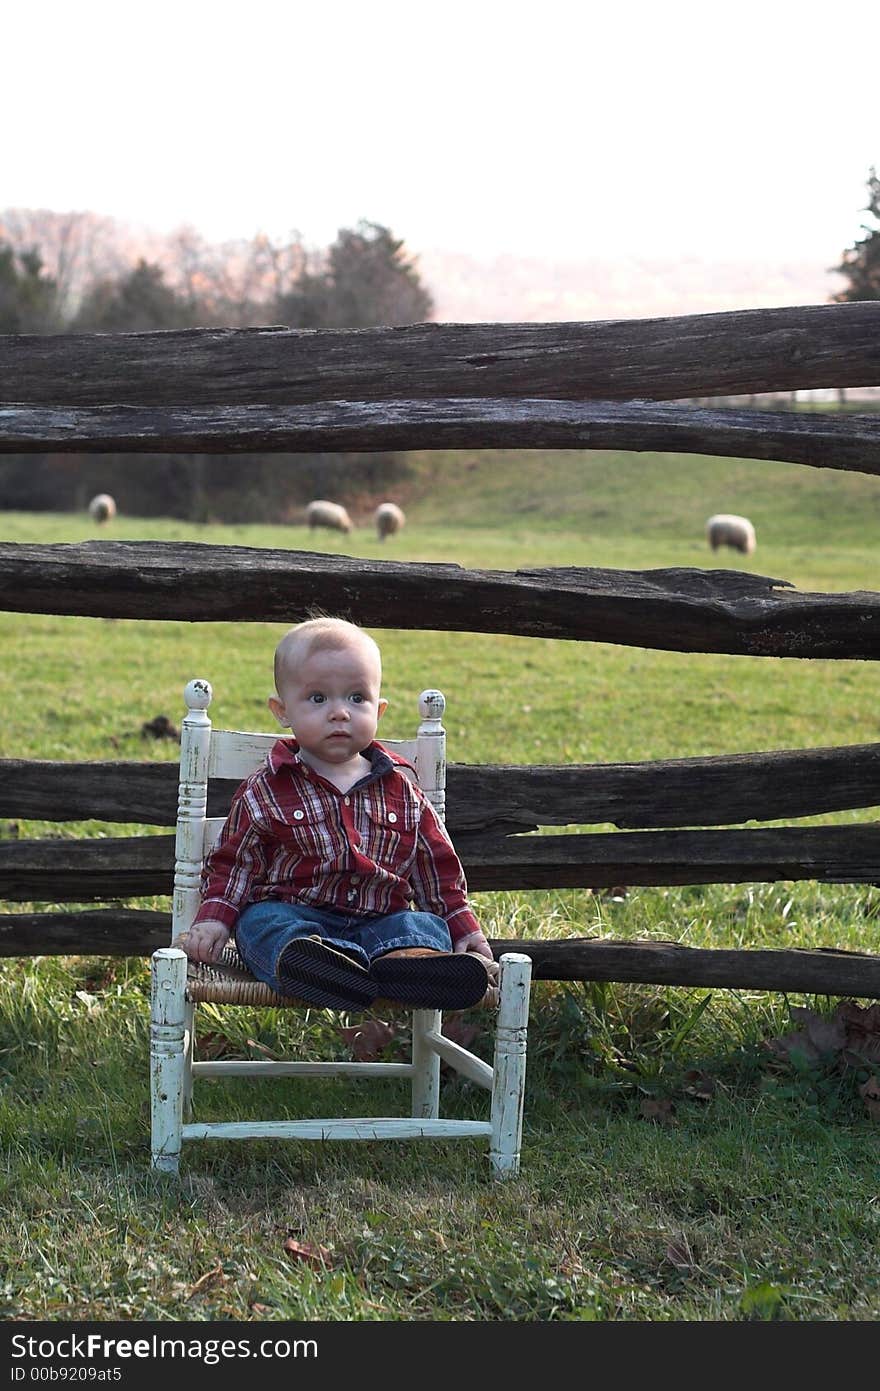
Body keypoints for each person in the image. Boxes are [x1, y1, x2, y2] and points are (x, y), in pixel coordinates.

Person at [181, 616, 497, 1011]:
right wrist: (214, 919)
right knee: (260, 923)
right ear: (282, 710)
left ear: (378, 709)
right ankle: (318, 967)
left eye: (356, 698)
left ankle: (406, 969)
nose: (340, 713)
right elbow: (235, 864)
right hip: (297, 920)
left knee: (422, 926)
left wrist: (462, 928)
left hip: (382, 924)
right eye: (318, 698)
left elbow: (438, 872)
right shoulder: (267, 788)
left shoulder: (404, 791)